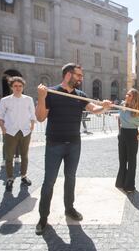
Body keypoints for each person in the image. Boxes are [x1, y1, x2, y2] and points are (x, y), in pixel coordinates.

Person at [35, 63, 111, 235]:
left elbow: (94, 109)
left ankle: (69, 209)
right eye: (79, 75)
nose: (81, 78)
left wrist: (104, 106)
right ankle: (43, 217)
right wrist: (41, 97)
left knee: (70, 178)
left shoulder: (80, 95)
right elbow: (40, 118)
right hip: (54, 144)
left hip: (74, 145)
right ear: (68, 75)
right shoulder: (51, 93)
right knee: (49, 182)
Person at [0, 77, 36, 191]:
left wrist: (32, 125)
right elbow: (0, 116)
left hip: (25, 131)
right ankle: (9, 178)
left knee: (25, 156)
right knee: (9, 157)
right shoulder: (5, 100)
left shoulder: (28, 99)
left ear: (23, 87)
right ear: (11, 87)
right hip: (10, 132)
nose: (18, 88)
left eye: (20, 86)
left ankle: (24, 176)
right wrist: (3, 127)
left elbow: (32, 114)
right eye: (15, 86)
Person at [115, 88, 139, 193]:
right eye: (126, 94)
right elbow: (120, 119)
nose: (126, 96)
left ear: (134, 98)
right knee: (122, 160)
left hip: (132, 135)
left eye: (129, 95)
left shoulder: (137, 112)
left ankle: (129, 186)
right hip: (123, 134)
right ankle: (120, 182)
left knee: (132, 161)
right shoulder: (122, 106)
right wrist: (119, 132)